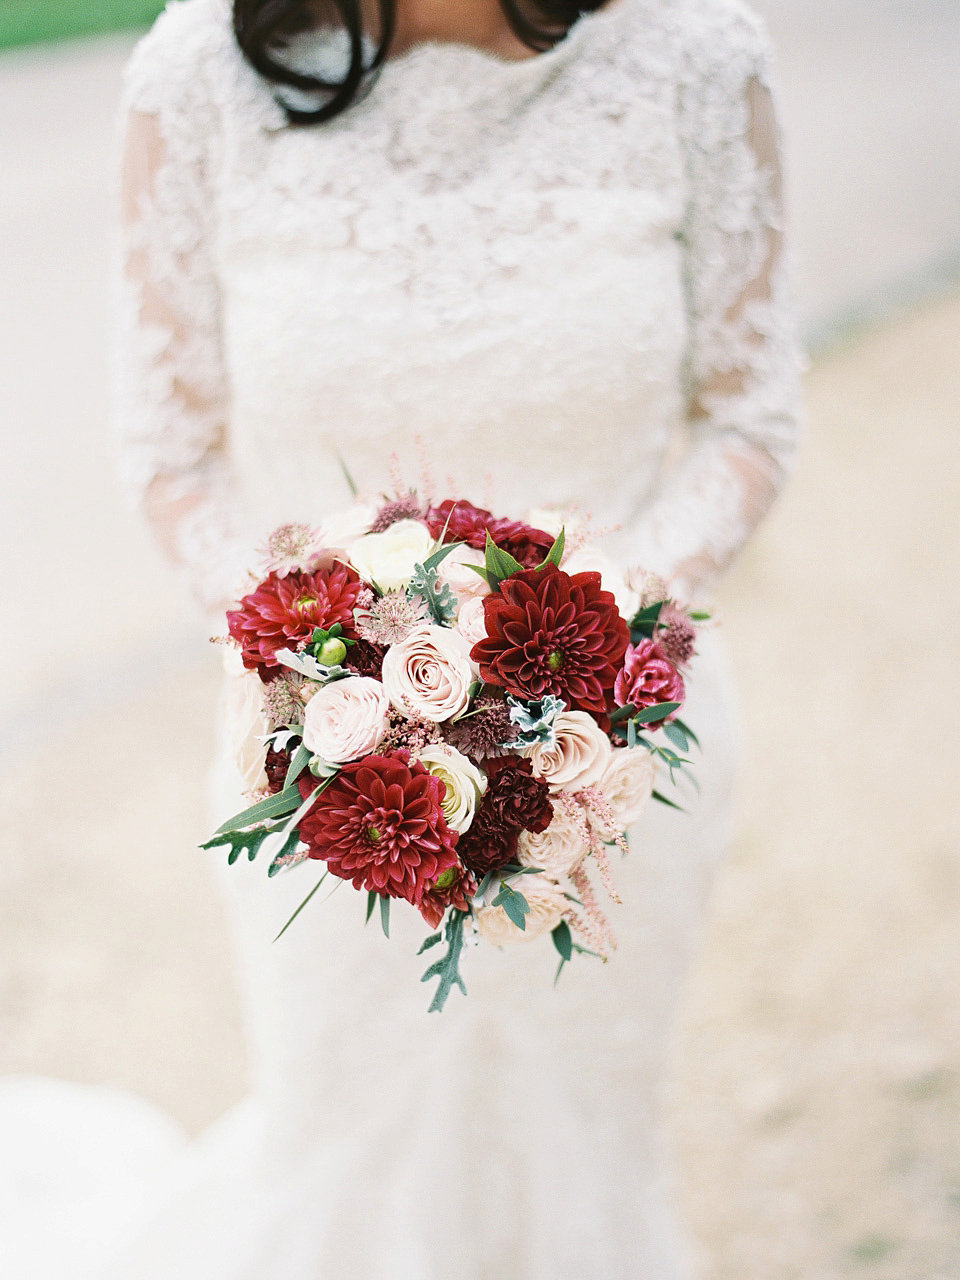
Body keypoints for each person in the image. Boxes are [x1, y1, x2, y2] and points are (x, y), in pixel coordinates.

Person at [1, 0, 801, 1275]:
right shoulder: (195, 74)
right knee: (348, 1131)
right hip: (323, 764)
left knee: (580, 1132)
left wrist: (597, 644)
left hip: (620, 759)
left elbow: (749, 420)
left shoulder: (700, 58)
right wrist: (329, 661)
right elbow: (171, 456)